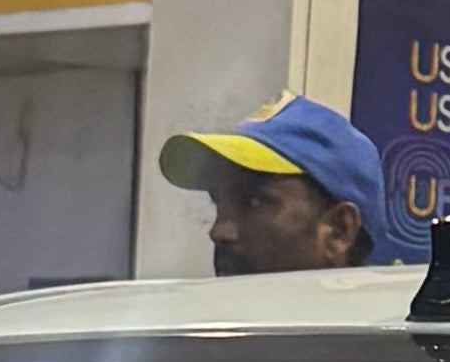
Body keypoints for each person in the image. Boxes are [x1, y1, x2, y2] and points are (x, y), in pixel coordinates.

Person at [152, 96, 407, 274]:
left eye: (253, 201)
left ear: (339, 230)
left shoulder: (392, 350)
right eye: (218, 202)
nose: (219, 231)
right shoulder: (213, 345)